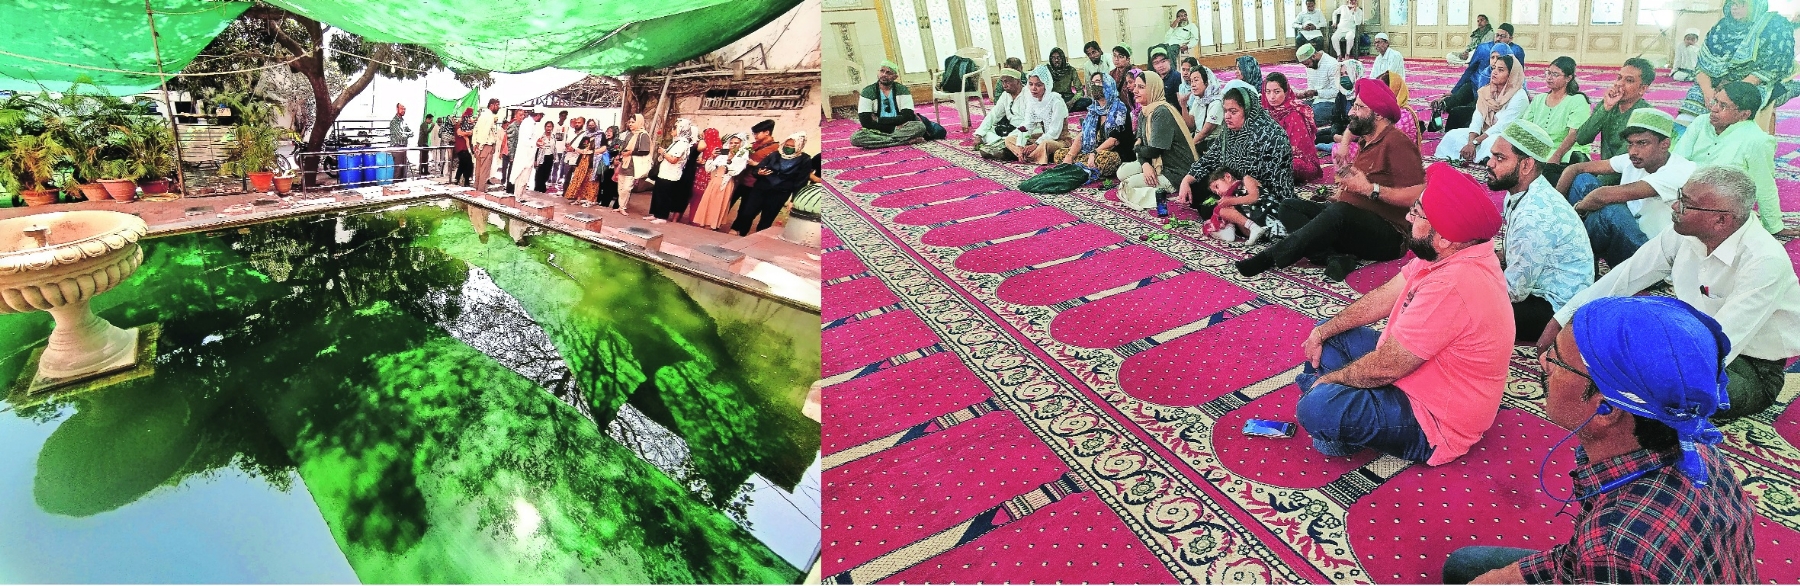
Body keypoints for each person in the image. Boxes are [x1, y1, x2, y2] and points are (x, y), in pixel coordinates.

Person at [1445, 296, 1758, 585]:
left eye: (1556, 360)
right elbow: (1574, 560)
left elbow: (1611, 555)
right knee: (1467, 567)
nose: (1543, 364)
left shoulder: (1616, 548)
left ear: (1606, 409)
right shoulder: (1697, 448)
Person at [1538, 165, 1800, 422]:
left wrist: (1640, 375)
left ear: (1721, 219)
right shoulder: (1685, 234)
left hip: (1748, 365)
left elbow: (1718, 346)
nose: (1675, 207)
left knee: (1664, 399)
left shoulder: (1764, 261)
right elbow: (1623, 278)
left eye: (1685, 203)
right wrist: (1562, 321)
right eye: (1678, 196)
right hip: (1686, 334)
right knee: (1622, 331)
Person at [1294, 161, 1512, 464]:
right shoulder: (1445, 252)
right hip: (1416, 369)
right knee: (1330, 334)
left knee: (1316, 409)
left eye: (1418, 213)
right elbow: (1384, 296)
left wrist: (1332, 381)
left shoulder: (1455, 283)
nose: (1408, 216)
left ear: (1446, 237)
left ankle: (1334, 415)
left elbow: (1388, 367)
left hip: (1435, 417)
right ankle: (1339, 408)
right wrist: (1324, 331)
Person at [1240, 79, 1425, 281]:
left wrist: (1371, 189)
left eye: (1358, 107)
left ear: (1378, 114)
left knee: (1339, 212)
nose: (1350, 112)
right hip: (1351, 224)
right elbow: (1351, 129)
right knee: (1289, 207)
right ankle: (1335, 257)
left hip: (1389, 236)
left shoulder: (1397, 143)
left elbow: (1419, 194)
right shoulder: (1368, 138)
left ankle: (1272, 255)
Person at [1487, 121, 1595, 342]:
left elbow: (1514, 292)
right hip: (1545, 285)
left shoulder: (1534, 215)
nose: (1489, 163)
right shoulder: (1521, 192)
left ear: (1526, 165)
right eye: (1493, 156)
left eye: (1500, 158)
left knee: (1473, 310)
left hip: (1557, 310)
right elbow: (1509, 255)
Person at [1557, 108, 1696, 266]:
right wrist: (1555, 210)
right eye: (1630, 144)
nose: (1633, 151)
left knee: (1610, 211)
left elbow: (1603, 196)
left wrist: (1576, 211)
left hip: (1652, 255)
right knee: (1584, 180)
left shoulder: (1680, 171)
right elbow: (1575, 169)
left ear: (1664, 144)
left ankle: (1575, 255)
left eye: (1642, 143)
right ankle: (1579, 253)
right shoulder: (1634, 159)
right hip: (1625, 235)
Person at [1183, 80, 1297, 245]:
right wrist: (1187, 180)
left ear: (1248, 111)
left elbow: (1256, 183)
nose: (1227, 116)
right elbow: (1209, 159)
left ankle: (1236, 224)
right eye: (1225, 111)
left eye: (1233, 111)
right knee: (1197, 187)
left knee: (1211, 206)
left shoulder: (1268, 135)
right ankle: (1233, 222)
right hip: (1236, 187)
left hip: (1265, 197)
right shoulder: (1228, 133)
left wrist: (1228, 193)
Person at [1672, 82, 1787, 236]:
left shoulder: (1756, 140)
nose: (1713, 108)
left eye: (1723, 106)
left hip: (1719, 208)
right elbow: (1677, 161)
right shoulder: (1701, 122)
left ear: (1744, 114)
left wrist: (1774, 226)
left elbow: (1764, 185)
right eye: (1715, 101)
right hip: (1683, 195)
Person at [1677, 0, 1795, 131]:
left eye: (1742, 4)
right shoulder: (1721, 27)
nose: (1735, 7)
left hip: (1753, 84)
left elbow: (1771, 67)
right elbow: (1702, 65)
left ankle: (1722, 144)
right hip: (1717, 82)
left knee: (1734, 104)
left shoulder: (1774, 25)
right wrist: (1707, 91)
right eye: (1732, 3)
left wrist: (1729, 91)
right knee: (1695, 96)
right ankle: (1683, 143)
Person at [1547, 59, 1654, 181]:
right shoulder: (1607, 105)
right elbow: (1582, 138)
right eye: (1619, 78)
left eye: (1628, 80)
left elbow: (1622, 161)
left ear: (1642, 89)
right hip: (1603, 174)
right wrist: (1605, 108)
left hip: (1629, 181)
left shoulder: (1645, 116)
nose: (1619, 84)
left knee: (1575, 179)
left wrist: (1597, 186)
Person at [1118, 70, 1198, 217]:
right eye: (1135, 86)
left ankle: (1162, 190)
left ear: (1153, 89)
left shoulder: (1161, 112)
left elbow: (1152, 150)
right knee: (1121, 173)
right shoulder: (1145, 110)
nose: (1135, 90)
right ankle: (1152, 184)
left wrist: (1138, 148)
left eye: (1141, 87)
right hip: (1156, 162)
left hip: (1175, 170)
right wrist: (1145, 164)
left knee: (1127, 185)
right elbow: (1140, 144)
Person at [1430, 23, 1522, 131]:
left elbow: (1518, 74)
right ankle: (1437, 123)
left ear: (1510, 38)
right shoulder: (1483, 48)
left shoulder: (1516, 52)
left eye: (1502, 36)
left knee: (1463, 110)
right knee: (1451, 101)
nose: (1498, 39)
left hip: (1494, 92)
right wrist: (1454, 90)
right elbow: (1470, 70)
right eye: (1497, 35)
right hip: (1474, 84)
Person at [1435, 54, 1526, 163]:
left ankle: (1483, 159)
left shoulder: (1519, 96)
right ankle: (1475, 156)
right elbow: (1477, 118)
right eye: (1494, 68)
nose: (1495, 72)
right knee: (1452, 136)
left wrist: (1475, 142)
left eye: (1501, 70)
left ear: (1511, 74)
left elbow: (1502, 127)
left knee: (1493, 142)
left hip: (1505, 136)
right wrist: (1470, 142)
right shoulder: (1486, 91)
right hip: (1483, 133)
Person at [1518, 57, 1592, 182]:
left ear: (1568, 78)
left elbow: (1574, 134)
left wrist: (1556, 156)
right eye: (1548, 73)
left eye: (1555, 74)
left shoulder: (1577, 101)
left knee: (1547, 176)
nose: (1549, 77)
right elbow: (1525, 127)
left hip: (1567, 154)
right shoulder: (1539, 99)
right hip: (1539, 151)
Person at [732, 132, 812, 236]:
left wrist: (793, 200)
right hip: (761, 189)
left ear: (799, 146)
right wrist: (759, 172)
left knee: (767, 219)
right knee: (747, 213)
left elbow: (801, 182)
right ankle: (741, 234)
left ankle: (757, 240)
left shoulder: (804, 160)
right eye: (787, 145)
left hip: (780, 193)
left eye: (792, 146)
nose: (788, 148)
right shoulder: (775, 154)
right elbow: (757, 169)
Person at [1057, 72, 1135, 178]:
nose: (1094, 86)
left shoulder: (1120, 109)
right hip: (1093, 151)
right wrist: (1070, 156)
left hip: (1114, 152)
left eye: (1098, 82)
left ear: (1107, 84)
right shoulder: (1094, 110)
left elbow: (1114, 140)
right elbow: (1083, 135)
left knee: (1104, 160)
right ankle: (1083, 166)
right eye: (1092, 83)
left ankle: (1082, 166)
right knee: (1060, 154)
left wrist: (1094, 153)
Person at [852, 60, 930, 148]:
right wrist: (892, 128)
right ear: (878, 72)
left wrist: (878, 120)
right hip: (878, 130)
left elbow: (907, 116)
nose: (884, 74)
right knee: (856, 138)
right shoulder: (868, 92)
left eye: (888, 73)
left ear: (895, 77)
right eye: (882, 71)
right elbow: (866, 122)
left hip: (901, 128)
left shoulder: (902, 90)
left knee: (919, 127)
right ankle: (905, 141)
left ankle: (884, 141)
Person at [1263, 74, 1322, 186]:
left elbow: (1297, 150)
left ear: (1286, 92)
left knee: (1286, 165)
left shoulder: (1294, 114)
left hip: (1297, 160)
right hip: (1274, 156)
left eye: (1276, 92)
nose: (1271, 97)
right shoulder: (1267, 113)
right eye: (1268, 92)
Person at [1009, 65, 1069, 165]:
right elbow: (1027, 125)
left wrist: (1036, 144)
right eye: (1031, 84)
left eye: (1038, 85)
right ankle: (1022, 153)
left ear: (1046, 85)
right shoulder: (1032, 100)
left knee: (1045, 144)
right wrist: (1020, 144)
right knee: (1010, 139)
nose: (1034, 88)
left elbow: (1054, 132)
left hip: (1059, 141)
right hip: (1044, 137)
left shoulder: (1056, 101)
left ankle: (1026, 155)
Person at [693, 133, 749, 231]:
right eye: (731, 143)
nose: (733, 145)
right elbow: (709, 168)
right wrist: (712, 157)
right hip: (715, 180)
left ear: (741, 144)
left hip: (726, 182)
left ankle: (713, 224)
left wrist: (729, 160)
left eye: (736, 143)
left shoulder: (741, 156)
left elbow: (735, 171)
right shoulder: (724, 153)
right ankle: (705, 222)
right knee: (709, 201)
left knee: (718, 203)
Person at [1296, 44, 1358, 133]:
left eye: (1307, 64)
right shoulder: (1311, 65)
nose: (1307, 67)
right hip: (1316, 99)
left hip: (1331, 102)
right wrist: (1305, 94)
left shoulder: (1331, 64)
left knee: (1308, 117)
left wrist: (1316, 92)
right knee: (1295, 110)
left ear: (1313, 56)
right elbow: (1311, 87)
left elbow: (1337, 91)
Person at [649, 119, 697, 223]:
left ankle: (662, 217)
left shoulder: (682, 144)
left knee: (664, 196)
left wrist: (663, 152)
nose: (672, 130)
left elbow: (673, 159)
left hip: (671, 175)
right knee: (658, 194)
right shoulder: (676, 142)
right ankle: (656, 214)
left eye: (675, 128)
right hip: (665, 173)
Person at [974, 68, 1029, 160]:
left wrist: (1012, 136)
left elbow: (1030, 122)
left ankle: (1004, 146)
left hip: (1028, 129)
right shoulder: (1005, 96)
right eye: (1002, 82)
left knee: (1022, 136)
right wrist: (979, 135)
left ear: (1018, 81)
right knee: (987, 132)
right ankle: (1003, 145)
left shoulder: (1028, 94)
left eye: (1007, 82)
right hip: (1011, 129)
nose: (1004, 85)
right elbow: (993, 115)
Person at [611, 114, 651, 216]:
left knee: (627, 188)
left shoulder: (643, 135)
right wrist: (620, 156)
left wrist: (631, 153)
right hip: (624, 163)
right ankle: (620, 206)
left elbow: (645, 151)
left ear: (639, 122)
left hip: (633, 165)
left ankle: (623, 207)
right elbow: (623, 148)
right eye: (630, 122)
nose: (630, 124)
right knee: (620, 187)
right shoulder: (629, 134)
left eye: (633, 122)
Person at [564, 119, 601, 206]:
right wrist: (574, 149)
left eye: (593, 125)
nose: (591, 126)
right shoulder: (586, 136)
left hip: (593, 162)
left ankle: (591, 200)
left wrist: (591, 152)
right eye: (589, 125)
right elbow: (580, 149)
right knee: (580, 180)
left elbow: (604, 148)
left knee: (591, 182)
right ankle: (579, 199)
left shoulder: (600, 136)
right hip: (582, 162)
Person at [1185, 65, 1224, 147]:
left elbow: (1205, 132)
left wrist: (1190, 147)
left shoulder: (1216, 102)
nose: (1193, 85)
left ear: (1207, 82)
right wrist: (1183, 105)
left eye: (1196, 80)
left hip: (1212, 144)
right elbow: (1190, 125)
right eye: (1191, 81)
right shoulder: (1198, 100)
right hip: (1198, 141)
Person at [510, 111, 546, 198]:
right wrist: (536, 143)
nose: (542, 118)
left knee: (525, 179)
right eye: (541, 115)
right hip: (524, 156)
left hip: (529, 156)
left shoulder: (531, 124)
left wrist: (538, 142)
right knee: (521, 178)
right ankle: (517, 198)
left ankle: (520, 197)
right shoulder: (527, 123)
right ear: (538, 115)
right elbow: (525, 140)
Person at [471, 98, 502, 191]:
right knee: (484, 173)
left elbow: (475, 130)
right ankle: (480, 194)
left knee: (478, 172)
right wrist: (480, 147)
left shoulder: (482, 115)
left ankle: (475, 191)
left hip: (479, 145)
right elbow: (485, 132)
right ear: (491, 105)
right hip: (485, 146)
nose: (499, 107)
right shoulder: (489, 116)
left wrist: (475, 145)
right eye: (497, 105)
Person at [388, 103, 412, 181]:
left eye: (404, 109)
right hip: (397, 147)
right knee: (398, 170)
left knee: (404, 170)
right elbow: (400, 136)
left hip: (404, 147)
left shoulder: (403, 121)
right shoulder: (394, 122)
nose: (403, 110)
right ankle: (395, 189)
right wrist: (407, 134)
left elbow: (411, 132)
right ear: (397, 109)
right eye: (402, 108)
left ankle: (403, 188)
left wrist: (406, 134)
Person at [548, 110, 570, 190]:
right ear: (559, 116)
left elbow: (566, 137)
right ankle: (548, 180)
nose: (563, 117)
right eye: (562, 115)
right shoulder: (554, 126)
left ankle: (554, 181)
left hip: (561, 149)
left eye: (565, 116)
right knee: (550, 165)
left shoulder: (567, 127)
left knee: (556, 166)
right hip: (553, 149)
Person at [453, 107, 475, 187]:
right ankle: (465, 181)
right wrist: (469, 133)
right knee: (468, 163)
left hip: (465, 148)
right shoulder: (458, 126)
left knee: (463, 164)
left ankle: (457, 179)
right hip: (461, 148)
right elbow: (460, 133)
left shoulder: (466, 125)